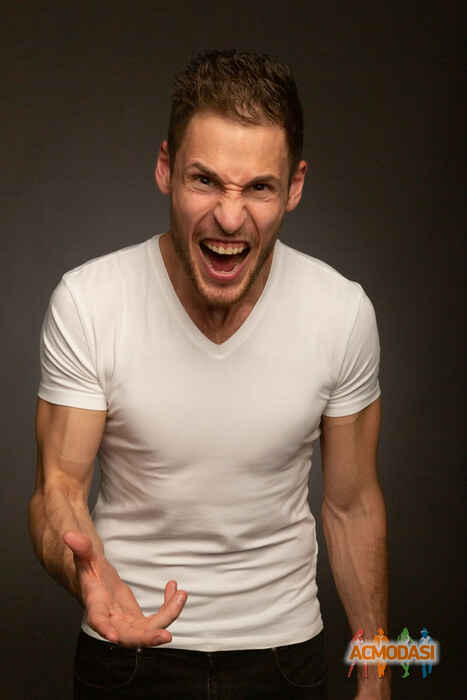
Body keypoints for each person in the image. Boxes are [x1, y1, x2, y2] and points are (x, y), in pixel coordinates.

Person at [28, 49, 390, 699]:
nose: (228, 216)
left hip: (285, 656)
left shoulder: (341, 313)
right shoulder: (89, 302)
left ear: (294, 187)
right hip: (125, 648)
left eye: (258, 187)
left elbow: (352, 505)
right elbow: (58, 488)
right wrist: (87, 576)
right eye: (205, 181)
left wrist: (377, 670)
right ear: (165, 169)